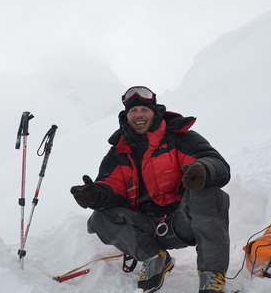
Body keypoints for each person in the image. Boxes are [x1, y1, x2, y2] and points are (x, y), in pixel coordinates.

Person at [70, 86, 230, 293]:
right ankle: (155, 258)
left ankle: (212, 276)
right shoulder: (118, 153)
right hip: (146, 228)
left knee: (210, 194)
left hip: (184, 221)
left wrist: (204, 170)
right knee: (99, 218)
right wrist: (95, 195)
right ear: (126, 116)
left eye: (144, 110)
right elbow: (112, 188)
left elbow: (218, 166)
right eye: (133, 111)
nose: (139, 115)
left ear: (154, 112)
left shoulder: (181, 137)